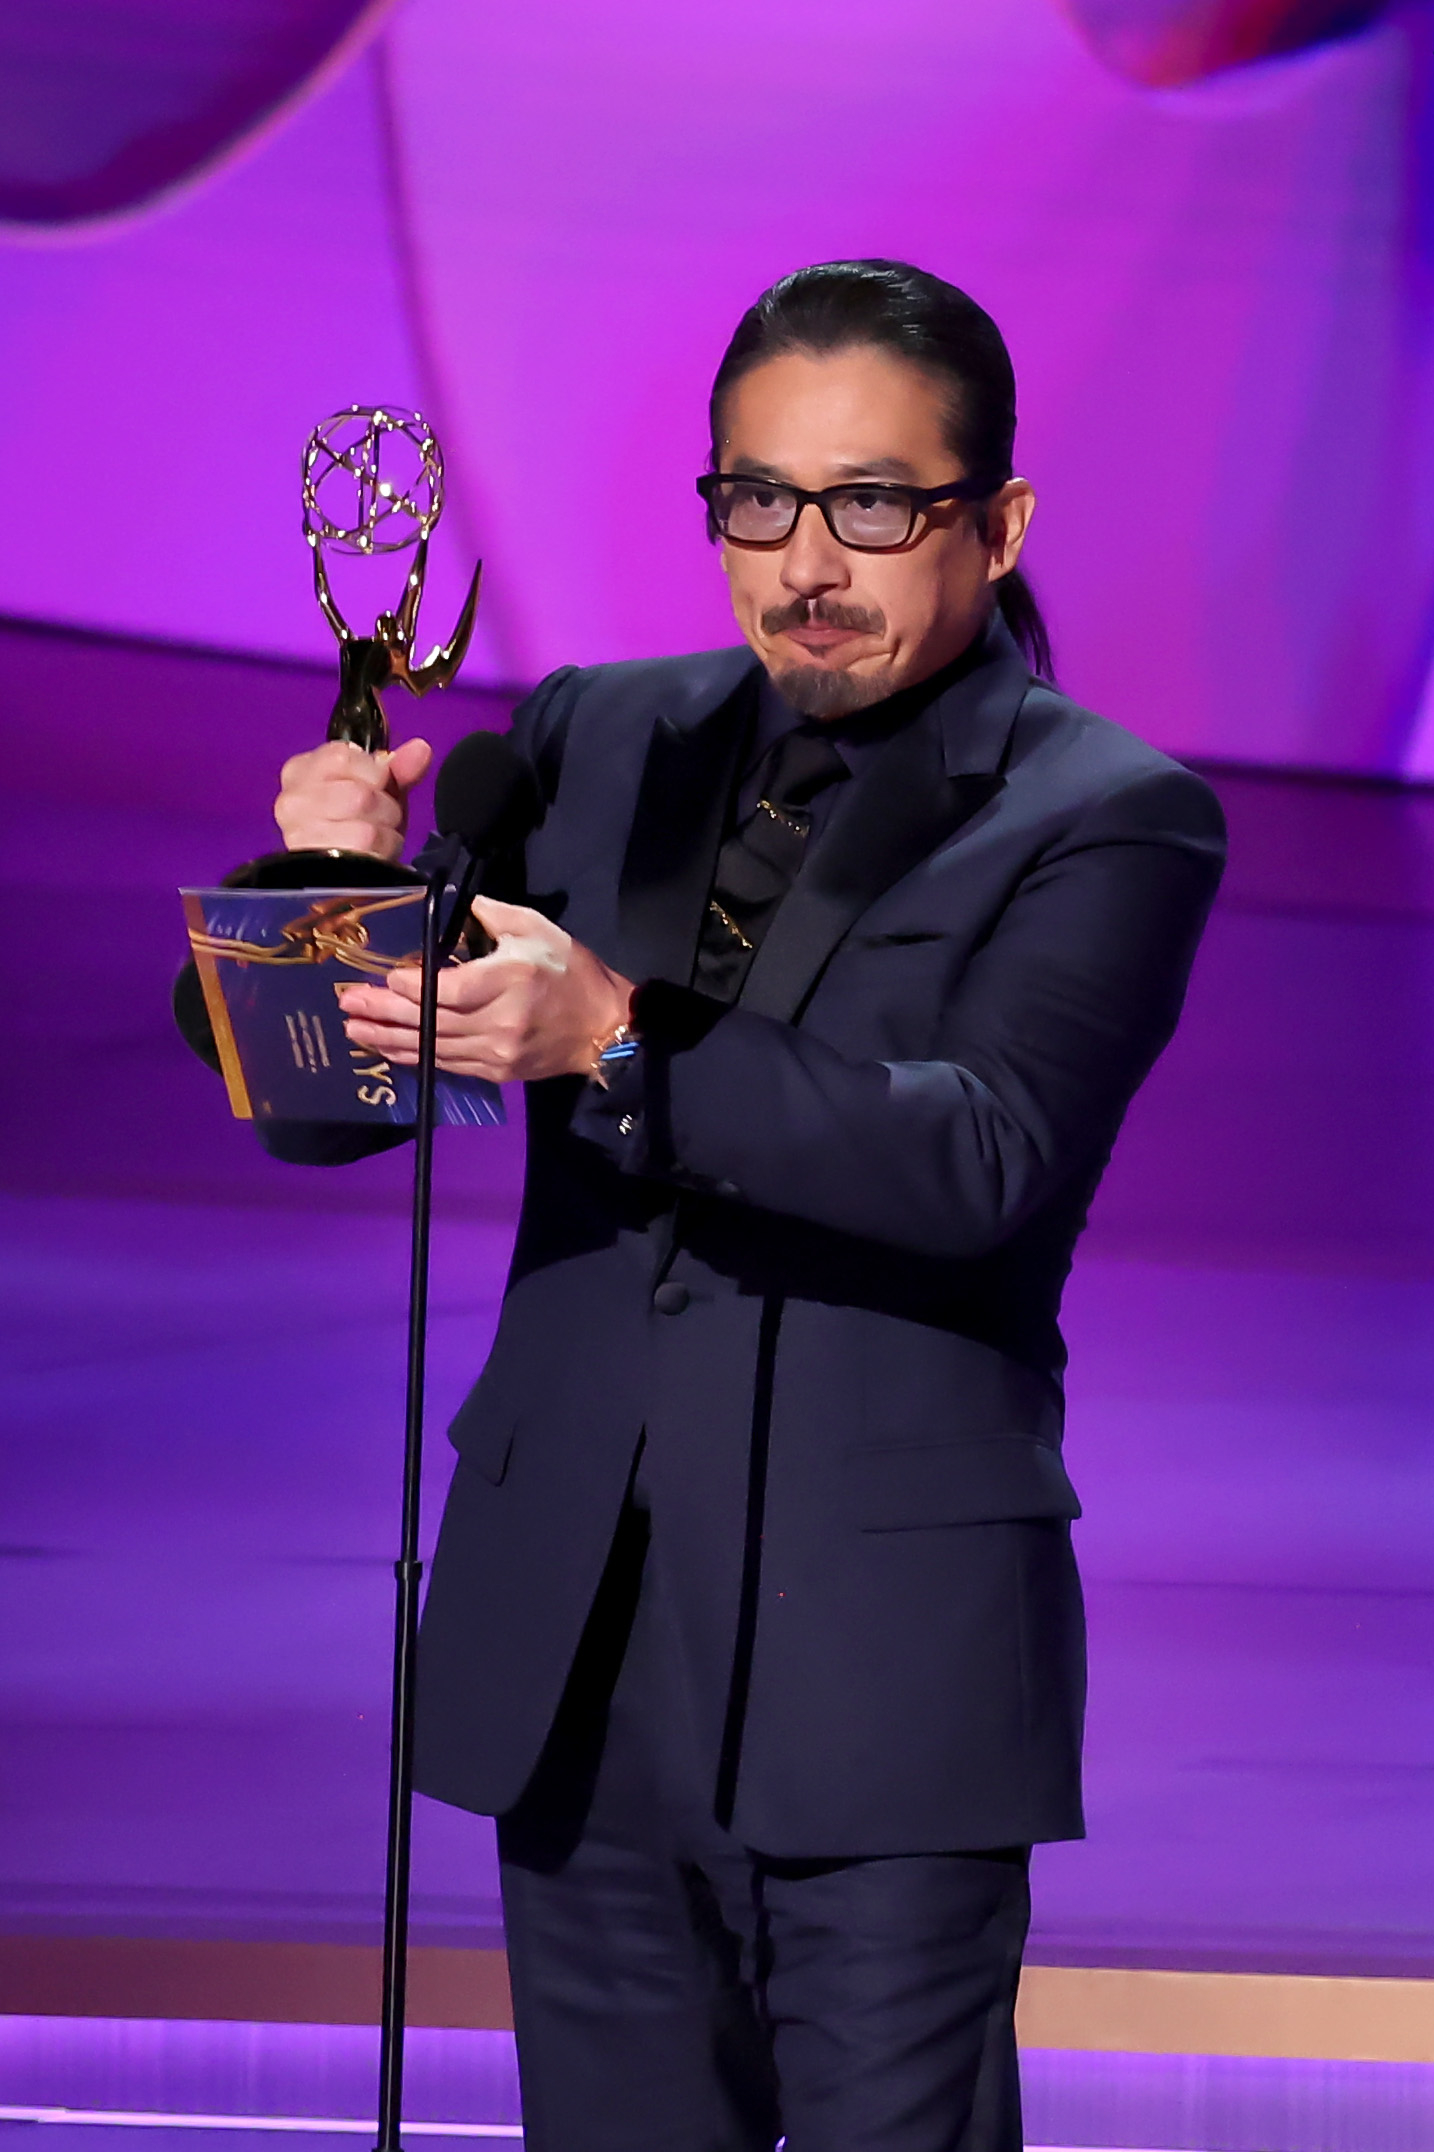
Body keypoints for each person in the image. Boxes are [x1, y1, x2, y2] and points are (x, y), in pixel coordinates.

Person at [226, 261, 1227, 2150]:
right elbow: (321, 1121)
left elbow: (978, 1155)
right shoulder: (594, 735)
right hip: (576, 1652)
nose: (805, 564)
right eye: (756, 500)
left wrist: (614, 1036)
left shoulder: (1110, 811)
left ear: (998, 522)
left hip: (882, 1675)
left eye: (873, 505)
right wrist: (324, 893)